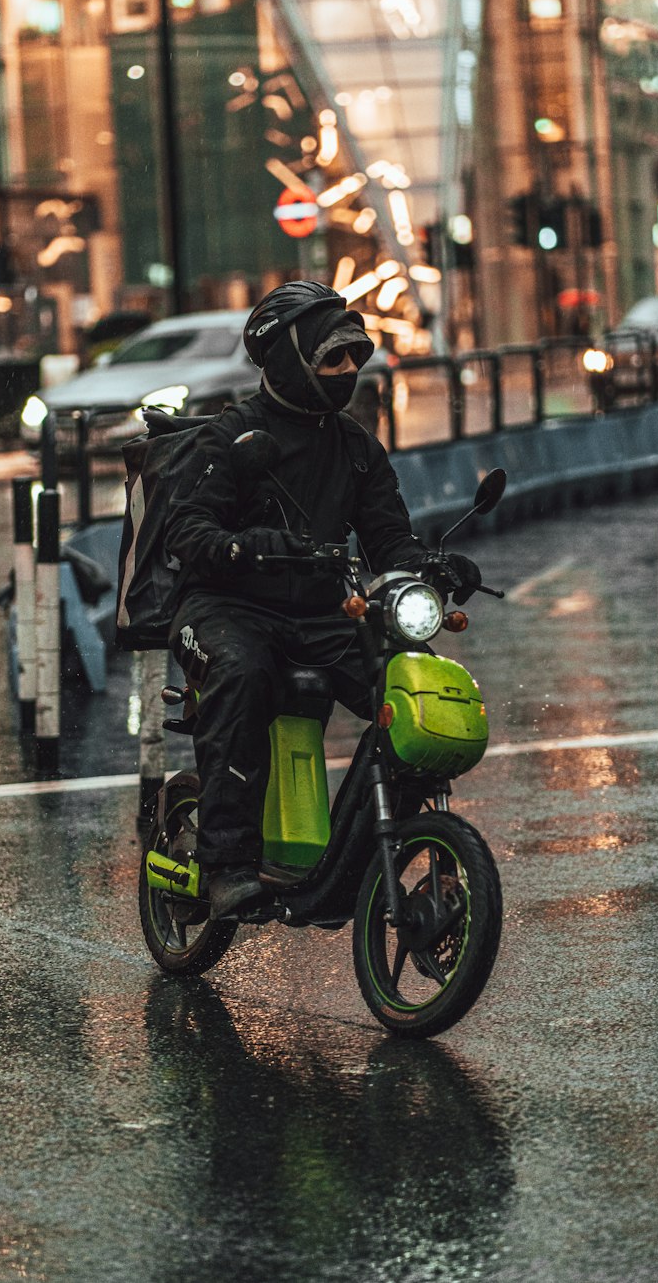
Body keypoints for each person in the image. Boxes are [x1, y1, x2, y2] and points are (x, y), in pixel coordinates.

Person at [164, 281, 482, 918]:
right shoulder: (233, 435)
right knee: (245, 675)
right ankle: (226, 861)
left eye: (353, 359)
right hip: (225, 611)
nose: (348, 371)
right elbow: (186, 529)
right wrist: (245, 547)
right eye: (331, 358)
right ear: (287, 359)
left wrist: (432, 565)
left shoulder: (357, 446)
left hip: (323, 614)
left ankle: (367, 850)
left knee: (404, 686)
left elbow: (391, 538)